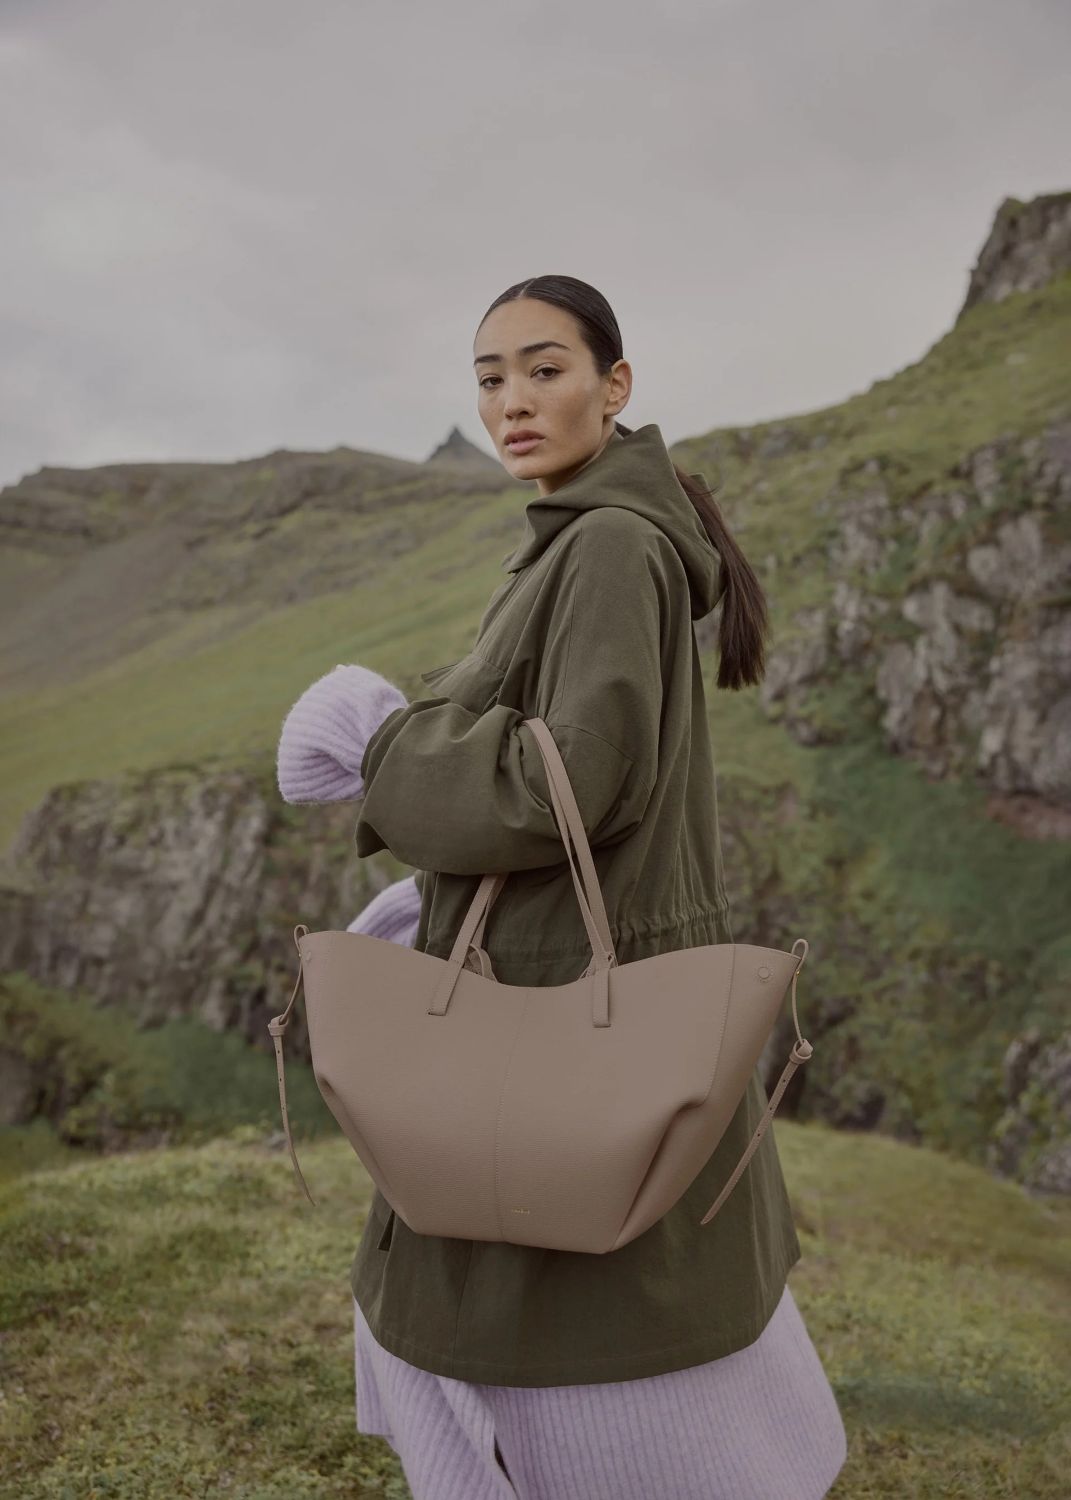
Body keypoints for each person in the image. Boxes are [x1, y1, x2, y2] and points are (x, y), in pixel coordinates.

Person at [276, 275, 848, 1499]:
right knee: (627, 1326)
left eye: (545, 369)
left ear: (615, 385)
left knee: (565, 1355)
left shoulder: (609, 544)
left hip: (561, 984)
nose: (513, 401)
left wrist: (383, 743)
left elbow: (569, 784)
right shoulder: (594, 536)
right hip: (577, 966)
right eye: (490, 378)